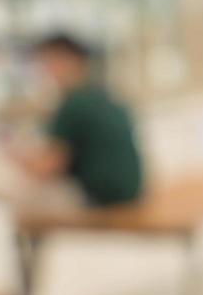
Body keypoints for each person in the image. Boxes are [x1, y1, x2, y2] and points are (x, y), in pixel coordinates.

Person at [11, 33, 143, 208]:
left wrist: (17, 157)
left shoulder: (74, 103)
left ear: (66, 59)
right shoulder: (101, 94)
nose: (45, 70)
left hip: (106, 197)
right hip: (131, 190)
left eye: (47, 61)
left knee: (18, 196)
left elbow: (46, 167)